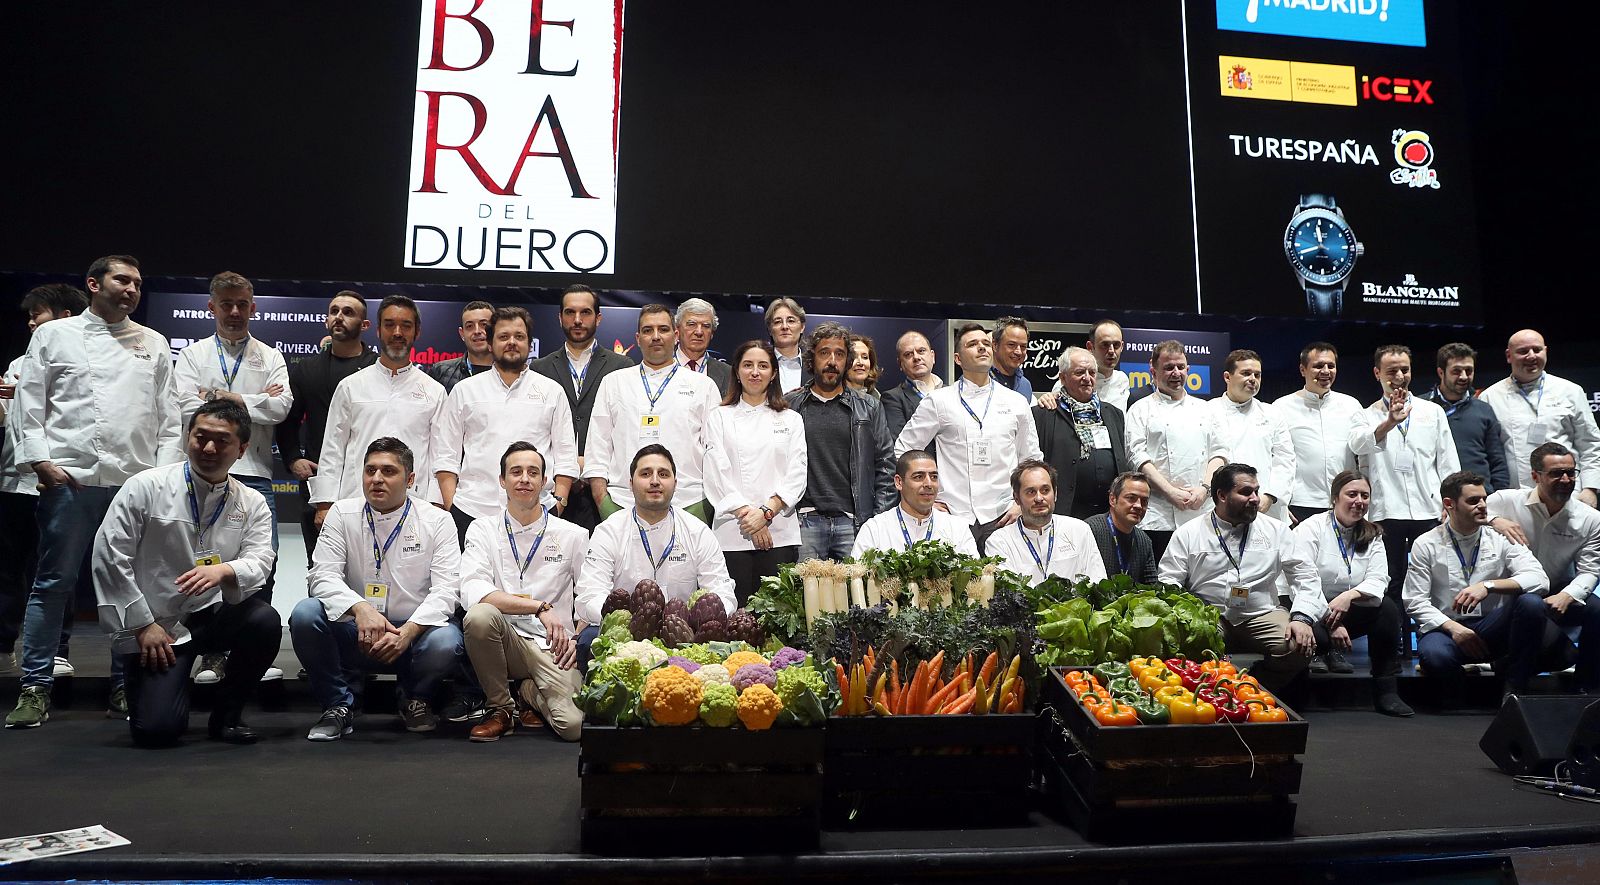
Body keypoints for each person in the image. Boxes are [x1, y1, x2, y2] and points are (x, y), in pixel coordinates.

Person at [6, 255, 183, 728]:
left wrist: (160, 478)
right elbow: (30, 403)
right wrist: (40, 461)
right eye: (121, 280)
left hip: (135, 485)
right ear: (93, 284)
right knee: (53, 584)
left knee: (133, 588)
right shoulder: (53, 336)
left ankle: (125, 686)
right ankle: (36, 687)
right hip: (72, 480)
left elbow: (169, 419)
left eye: (138, 284)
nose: (131, 289)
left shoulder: (155, 343)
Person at [90, 400, 281, 745]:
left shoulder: (251, 501)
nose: (208, 448)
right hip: (156, 625)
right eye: (200, 437)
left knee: (263, 620)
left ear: (241, 449)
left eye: (222, 441)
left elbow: (261, 559)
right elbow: (109, 555)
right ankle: (163, 692)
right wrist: (141, 624)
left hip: (211, 615)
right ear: (187, 437)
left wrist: (226, 570)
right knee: (156, 732)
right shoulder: (145, 486)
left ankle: (227, 717)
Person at [290, 438, 477, 741]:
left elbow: (447, 591)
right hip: (358, 630)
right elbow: (321, 576)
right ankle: (337, 706)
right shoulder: (341, 513)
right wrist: (361, 609)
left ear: (410, 479)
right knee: (305, 614)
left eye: (388, 471)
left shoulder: (437, 520)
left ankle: (417, 699)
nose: (376, 479)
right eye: (370, 470)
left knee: (446, 639)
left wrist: (408, 632)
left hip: (414, 636)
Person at [171, 272, 291, 683]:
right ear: (212, 307)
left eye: (242, 304)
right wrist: (255, 401)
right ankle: (213, 654)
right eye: (227, 304)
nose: (235, 312)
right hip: (201, 474)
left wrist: (224, 396)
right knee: (206, 563)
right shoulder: (192, 356)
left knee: (263, 564)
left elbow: (281, 408)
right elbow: (187, 405)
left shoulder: (270, 355)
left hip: (254, 473)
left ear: (253, 308)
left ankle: (254, 654)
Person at [459, 442, 589, 742]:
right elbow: (474, 591)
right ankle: (501, 709)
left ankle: (529, 693)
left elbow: (587, 594)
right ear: (502, 480)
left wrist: (577, 637)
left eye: (533, 472)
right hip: (503, 640)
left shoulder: (573, 535)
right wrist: (539, 608)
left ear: (545, 482)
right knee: (479, 616)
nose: (524, 479)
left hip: (552, 645)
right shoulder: (482, 529)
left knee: (574, 727)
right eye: (515, 472)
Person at [1158, 463, 1321, 695]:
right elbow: (1168, 581)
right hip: (1209, 615)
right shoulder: (1189, 532)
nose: (1255, 498)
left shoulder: (1277, 530)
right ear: (1221, 495)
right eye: (1246, 492)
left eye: (1256, 490)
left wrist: (1302, 618)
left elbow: (1305, 575)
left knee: (1299, 646)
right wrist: (1191, 616)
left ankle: (1252, 688)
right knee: (1184, 645)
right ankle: (1209, 695)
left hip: (1261, 613)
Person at [574, 445, 738, 664]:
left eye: (663, 474)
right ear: (630, 484)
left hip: (685, 632)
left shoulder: (697, 531)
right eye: (645, 474)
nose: (654, 481)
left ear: (675, 483)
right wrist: (631, 621)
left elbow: (723, 592)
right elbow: (589, 595)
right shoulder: (609, 530)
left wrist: (699, 621)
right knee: (588, 640)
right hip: (626, 634)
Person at [434, 306, 579, 544]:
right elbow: (446, 457)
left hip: (536, 513)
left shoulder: (551, 391)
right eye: (503, 337)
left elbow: (566, 457)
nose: (512, 342)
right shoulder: (465, 391)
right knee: (473, 582)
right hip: (472, 512)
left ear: (530, 344)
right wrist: (453, 507)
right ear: (490, 343)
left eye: (519, 337)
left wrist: (558, 504)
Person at [1, 285, 87, 680]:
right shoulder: (18, 362)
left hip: (57, 479)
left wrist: (22, 395)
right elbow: (10, 422)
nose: (32, 322)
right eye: (30, 316)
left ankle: (58, 650)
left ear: (66, 316)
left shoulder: (86, 362)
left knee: (55, 568)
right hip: (12, 482)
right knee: (8, 567)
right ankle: (4, 647)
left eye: (40, 313)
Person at [896, 322, 1042, 552]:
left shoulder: (1016, 402)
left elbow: (1031, 459)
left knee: (1006, 586)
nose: (982, 348)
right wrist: (927, 499)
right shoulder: (939, 401)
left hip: (1004, 514)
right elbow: (904, 450)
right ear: (958, 358)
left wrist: (1019, 504)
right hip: (954, 514)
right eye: (973, 344)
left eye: (986, 344)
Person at [1404, 471, 1549, 696]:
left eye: (1484, 498)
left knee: (1532, 603)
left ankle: (1514, 686)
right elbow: (1414, 601)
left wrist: (1488, 586)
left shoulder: (1501, 536)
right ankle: (1470, 683)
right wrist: (1455, 629)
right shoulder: (1426, 543)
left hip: (1492, 626)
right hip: (1447, 627)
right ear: (1449, 504)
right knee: (1437, 658)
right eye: (1473, 501)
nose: (1483, 505)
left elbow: (1540, 579)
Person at [1288, 470, 1412, 716]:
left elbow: (1378, 579)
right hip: (1311, 608)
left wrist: (1348, 597)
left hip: (1350, 608)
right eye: (1352, 494)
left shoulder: (1373, 534)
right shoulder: (1310, 529)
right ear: (1335, 498)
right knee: (1308, 636)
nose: (1359, 501)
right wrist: (1330, 619)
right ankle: (1296, 693)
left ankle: (1386, 690)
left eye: (1364, 496)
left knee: (1387, 608)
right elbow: (1303, 581)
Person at [582, 304, 720, 523]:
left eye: (663, 329)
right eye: (648, 331)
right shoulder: (614, 382)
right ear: (638, 338)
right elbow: (597, 447)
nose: (655, 337)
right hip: (622, 503)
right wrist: (602, 500)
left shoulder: (703, 386)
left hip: (689, 503)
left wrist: (706, 504)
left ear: (675, 335)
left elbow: (716, 451)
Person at [313, 294, 447, 517]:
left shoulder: (434, 391)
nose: (397, 333)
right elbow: (332, 449)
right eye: (389, 325)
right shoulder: (351, 386)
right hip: (354, 504)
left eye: (405, 326)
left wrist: (434, 504)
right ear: (378, 330)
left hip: (415, 508)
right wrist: (325, 503)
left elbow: (439, 454)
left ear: (417, 332)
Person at [1350, 344, 1460, 603]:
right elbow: (1357, 445)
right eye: (1392, 370)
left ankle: (1429, 637)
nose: (1399, 376)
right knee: (1391, 580)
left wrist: (1452, 502)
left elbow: (1447, 460)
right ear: (1377, 373)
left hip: (1428, 508)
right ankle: (1396, 643)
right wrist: (1389, 422)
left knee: (1433, 578)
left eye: (1405, 369)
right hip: (1386, 509)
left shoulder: (1432, 411)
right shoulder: (1365, 414)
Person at [1487, 442, 1600, 693]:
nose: (1566, 479)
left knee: (1597, 609)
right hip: (1511, 592)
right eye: (1556, 473)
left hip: (1558, 589)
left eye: (1571, 473)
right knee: (1530, 603)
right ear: (1535, 476)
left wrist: (1568, 595)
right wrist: (1495, 519)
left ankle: (1587, 688)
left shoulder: (1590, 518)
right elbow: (1462, 513)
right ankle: (1515, 686)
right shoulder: (1506, 501)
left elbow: (1590, 570)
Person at [704, 342, 807, 605]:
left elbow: (797, 472)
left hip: (779, 532)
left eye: (763, 366)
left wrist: (766, 513)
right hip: (733, 532)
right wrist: (749, 516)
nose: (755, 372)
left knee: (777, 616)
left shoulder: (791, 419)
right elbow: (716, 472)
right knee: (735, 615)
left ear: (774, 373)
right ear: (736, 372)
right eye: (748, 365)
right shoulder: (719, 416)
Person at [276, 291, 376, 558]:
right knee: (319, 563)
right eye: (334, 311)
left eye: (348, 312)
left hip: (366, 479)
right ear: (326, 320)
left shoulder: (376, 368)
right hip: (318, 480)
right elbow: (288, 421)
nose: (339, 317)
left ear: (365, 325)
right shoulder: (307, 369)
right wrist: (293, 459)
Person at [787, 322, 896, 559]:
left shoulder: (869, 407)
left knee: (857, 595)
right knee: (806, 595)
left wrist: (875, 521)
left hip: (854, 523)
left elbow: (886, 465)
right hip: (803, 521)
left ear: (847, 361)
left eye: (840, 354)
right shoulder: (790, 406)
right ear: (811, 359)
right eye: (824, 352)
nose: (832, 361)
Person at [531, 284, 635, 531]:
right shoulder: (539, 369)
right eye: (570, 313)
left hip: (605, 490)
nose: (577, 320)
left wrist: (589, 464)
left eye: (585, 312)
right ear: (560, 318)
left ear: (598, 318)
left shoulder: (622, 367)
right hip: (553, 491)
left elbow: (627, 429)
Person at [1125, 340, 1226, 561]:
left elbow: (1219, 453)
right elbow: (1137, 457)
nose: (1176, 373)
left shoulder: (1205, 409)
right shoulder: (1140, 409)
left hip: (1201, 509)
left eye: (1181, 367)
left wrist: (1205, 489)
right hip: (1158, 515)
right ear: (1153, 371)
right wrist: (1170, 492)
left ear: (1188, 370)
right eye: (1169, 367)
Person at [1481, 329, 1600, 503]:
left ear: (1546, 351)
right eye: (1522, 351)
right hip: (1515, 497)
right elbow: (1487, 454)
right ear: (1509, 356)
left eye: (1537, 350)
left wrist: (1590, 488)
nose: (1531, 356)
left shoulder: (1570, 391)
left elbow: (1591, 444)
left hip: (1568, 494)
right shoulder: (1490, 396)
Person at [1272, 342, 1363, 524]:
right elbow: (1273, 459)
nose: (1326, 371)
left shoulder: (1351, 405)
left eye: (1331, 366)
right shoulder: (1281, 407)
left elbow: (1364, 457)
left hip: (1343, 501)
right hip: (1299, 503)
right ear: (1302, 369)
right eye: (1318, 366)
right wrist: (1280, 504)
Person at [1034, 347, 1128, 520]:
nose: (1087, 378)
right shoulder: (1044, 414)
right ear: (1063, 378)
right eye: (1079, 372)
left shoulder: (1113, 414)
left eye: (1092, 372)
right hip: (1064, 511)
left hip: (1107, 512)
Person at [1206, 350, 1294, 520]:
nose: (1253, 378)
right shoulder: (1208, 411)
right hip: (1221, 506)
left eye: (1257, 374)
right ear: (1227, 377)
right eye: (1246, 373)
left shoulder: (1273, 414)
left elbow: (1285, 460)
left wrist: (1271, 496)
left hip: (1265, 505)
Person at [984, 460, 1106, 583]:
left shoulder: (1080, 530)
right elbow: (1009, 592)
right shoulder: (999, 542)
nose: (1039, 498)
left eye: (1045, 490)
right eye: (1031, 492)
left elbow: (1097, 581)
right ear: (1017, 498)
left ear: (1055, 494)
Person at [851, 451, 979, 558]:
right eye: (918, 477)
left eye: (934, 477)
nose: (929, 484)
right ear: (899, 482)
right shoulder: (875, 530)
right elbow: (857, 581)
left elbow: (975, 579)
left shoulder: (957, 528)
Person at [1424, 342, 1510, 493]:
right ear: (1441, 372)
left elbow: (1497, 462)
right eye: (1456, 371)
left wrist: (1498, 497)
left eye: (1468, 370)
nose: (1464, 376)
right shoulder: (1421, 408)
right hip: (1432, 498)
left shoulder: (1484, 410)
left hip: (1479, 499)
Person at [1087, 472, 1159, 584]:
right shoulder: (1090, 530)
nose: (1139, 506)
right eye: (1131, 498)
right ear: (1112, 499)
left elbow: (1152, 587)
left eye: (1144, 501)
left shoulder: (1144, 541)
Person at [880, 330, 942, 443]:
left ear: (932, 356)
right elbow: (899, 443)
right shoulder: (892, 398)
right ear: (900, 364)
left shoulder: (951, 391)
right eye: (908, 354)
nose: (916, 357)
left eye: (921, 351)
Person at [426, 300, 495, 394]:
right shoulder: (440, 372)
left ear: (496, 329)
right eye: (470, 326)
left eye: (484, 325)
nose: (477, 331)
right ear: (462, 334)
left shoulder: (511, 372)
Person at [675, 298, 732, 394]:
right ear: (677, 329)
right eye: (692, 324)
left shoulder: (729, 374)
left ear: (712, 333)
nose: (699, 332)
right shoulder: (660, 368)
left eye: (706, 326)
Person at [766, 297, 807, 393]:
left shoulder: (814, 365)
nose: (784, 326)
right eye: (777, 322)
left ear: (802, 327)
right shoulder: (761, 363)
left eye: (791, 321)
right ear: (770, 330)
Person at [1089, 319, 1130, 413]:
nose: (1111, 351)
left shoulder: (1122, 379)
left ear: (1122, 347)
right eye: (1105, 345)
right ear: (1090, 347)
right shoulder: (1073, 382)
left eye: (1116, 345)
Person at [990, 316, 1033, 400]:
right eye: (1011, 345)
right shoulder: (978, 380)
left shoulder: (1025, 385)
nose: (1018, 352)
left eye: (1023, 346)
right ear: (995, 345)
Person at [846, 333, 882, 398]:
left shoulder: (877, 397)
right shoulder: (831, 396)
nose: (860, 363)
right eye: (853, 357)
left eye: (865, 357)